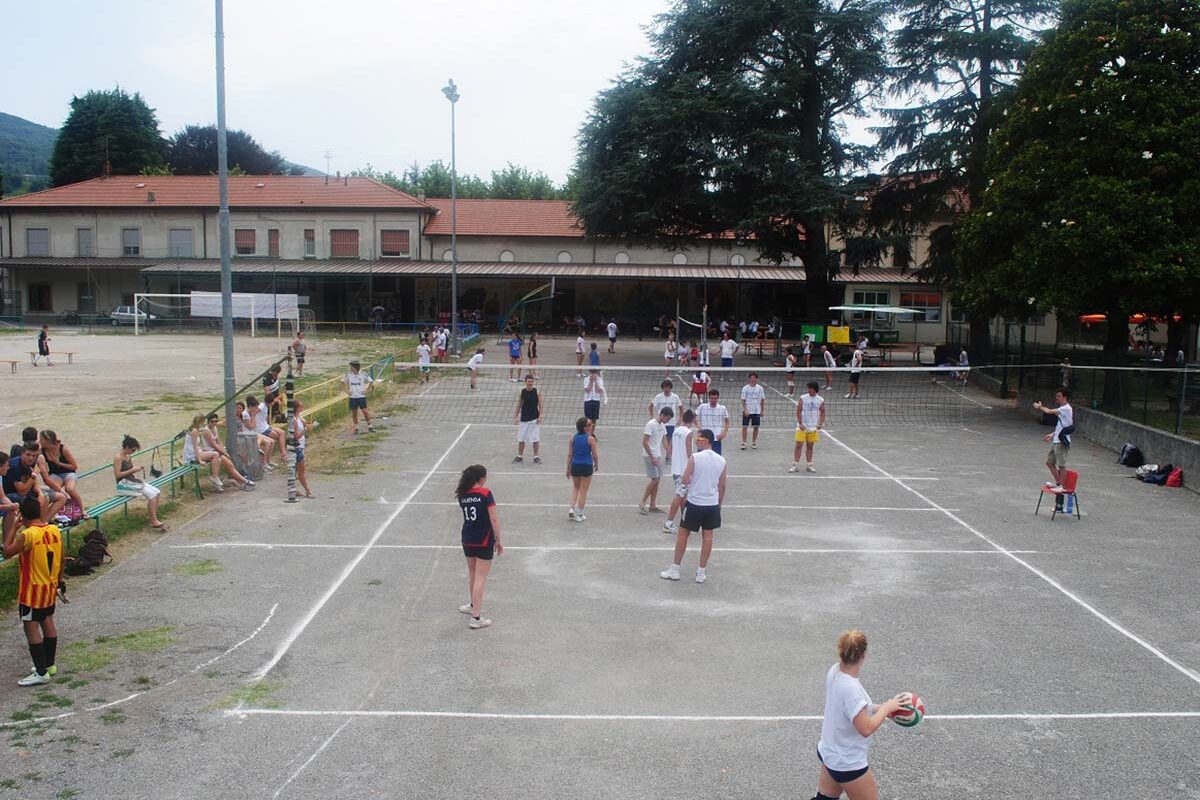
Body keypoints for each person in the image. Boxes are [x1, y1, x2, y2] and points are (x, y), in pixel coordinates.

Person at [811, 630, 910, 800]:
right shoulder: (852, 688)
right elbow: (865, 728)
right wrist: (886, 708)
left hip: (830, 753)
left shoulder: (835, 672)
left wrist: (882, 710)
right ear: (863, 655)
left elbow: (853, 709)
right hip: (848, 763)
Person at [4, 494, 65, 686]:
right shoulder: (54, 530)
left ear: (23, 515)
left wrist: (13, 527)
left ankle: (40, 673)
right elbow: (62, 559)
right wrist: (59, 581)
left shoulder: (28, 535)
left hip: (32, 590)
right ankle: (49, 665)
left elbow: (7, 551)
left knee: (30, 626)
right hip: (49, 586)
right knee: (47, 621)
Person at [660, 428, 727, 583]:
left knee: (683, 534)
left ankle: (675, 569)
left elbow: (685, 479)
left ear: (707, 441)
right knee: (708, 536)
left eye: (699, 439)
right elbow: (722, 486)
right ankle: (701, 573)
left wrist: (683, 493)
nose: (696, 440)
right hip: (711, 504)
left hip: (695, 502)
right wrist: (719, 504)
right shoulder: (721, 460)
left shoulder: (695, 458)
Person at [455, 465, 503, 630]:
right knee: (481, 578)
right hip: (483, 539)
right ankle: (476, 617)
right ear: (481, 479)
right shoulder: (485, 493)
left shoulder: (463, 494)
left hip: (467, 538)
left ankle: (472, 605)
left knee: (473, 574)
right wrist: (498, 539)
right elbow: (494, 519)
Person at [185, 414, 254, 492]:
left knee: (231, 462)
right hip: (209, 451)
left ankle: (242, 480)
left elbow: (218, 442)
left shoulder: (213, 428)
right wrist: (224, 453)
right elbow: (212, 445)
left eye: (216, 421)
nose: (214, 423)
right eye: (212, 421)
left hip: (213, 451)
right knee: (228, 464)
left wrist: (224, 451)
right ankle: (244, 481)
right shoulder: (204, 431)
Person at [112, 436, 167, 531]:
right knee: (152, 495)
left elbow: (128, 471)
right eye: (133, 450)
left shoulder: (128, 456)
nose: (133, 452)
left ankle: (153, 516)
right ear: (127, 447)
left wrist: (136, 469)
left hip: (131, 481)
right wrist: (133, 470)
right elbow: (117, 475)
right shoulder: (118, 458)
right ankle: (154, 521)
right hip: (124, 483)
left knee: (157, 492)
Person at [4, 444, 66, 523]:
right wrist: (33, 475)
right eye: (28, 455)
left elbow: (35, 483)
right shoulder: (15, 466)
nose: (31, 458)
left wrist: (40, 493)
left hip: (28, 489)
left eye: (34, 456)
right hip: (13, 493)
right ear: (22, 453)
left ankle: (43, 524)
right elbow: (22, 492)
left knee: (61, 497)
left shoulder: (32, 462)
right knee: (44, 499)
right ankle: (39, 525)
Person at [37, 431, 88, 520]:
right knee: (53, 491)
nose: (39, 441)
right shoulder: (42, 451)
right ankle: (48, 515)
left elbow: (74, 466)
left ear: (48, 440)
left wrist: (58, 463)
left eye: (41, 439)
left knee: (70, 489)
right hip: (55, 474)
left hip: (68, 472)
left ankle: (82, 509)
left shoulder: (62, 449)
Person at [1033, 387, 1074, 491]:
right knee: (1049, 462)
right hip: (1056, 440)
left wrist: (1040, 407)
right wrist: (1052, 434)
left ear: (1065, 397)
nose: (1057, 398)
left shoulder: (1066, 408)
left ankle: (1062, 486)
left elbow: (1048, 411)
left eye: (1059, 396)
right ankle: (1058, 482)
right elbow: (1063, 425)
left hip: (1061, 442)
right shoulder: (1062, 410)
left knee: (1061, 464)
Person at [662, 409, 696, 534]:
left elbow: (669, 449)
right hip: (684, 470)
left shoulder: (676, 430)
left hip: (676, 469)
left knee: (684, 496)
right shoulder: (689, 433)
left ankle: (685, 522)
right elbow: (689, 453)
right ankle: (668, 523)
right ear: (692, 420)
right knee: (679, 495)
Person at [639, 407, 673, 515]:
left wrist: (669, 452)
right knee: (655, 480)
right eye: (668, 418)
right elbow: (644, 442)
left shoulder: (662, 426)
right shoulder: (651, 424)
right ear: (662, 415)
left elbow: (664, 439)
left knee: (657, 480)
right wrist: (652, 457)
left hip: (657, 455)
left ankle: (652, 505)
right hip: (650, 456)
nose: (668, 421)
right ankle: (642, 502)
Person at [566, 417, 598, 523]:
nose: (591, 425)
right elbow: (595, 455)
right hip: (586, 466)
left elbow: (570, 455)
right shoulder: (590, 439)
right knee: (583, 490)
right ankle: (579, 514)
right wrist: (596, 465)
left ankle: (571, 508)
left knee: (576, 487)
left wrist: (567, 468)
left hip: (575, 466)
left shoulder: (572, 438)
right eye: (589, 425)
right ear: (584, 428)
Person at [791, 382, 827, 473]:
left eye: (809, 388)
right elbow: (798, 410)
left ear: (814, 389)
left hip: (813, 427)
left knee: (810, 446)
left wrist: (821, 423)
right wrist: (800, 423)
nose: (808, 390)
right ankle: (795, 465)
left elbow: (822, 412)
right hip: (803, 426)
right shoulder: (803, 398)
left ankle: (809, 465)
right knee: (798, 445)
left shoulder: (820, 400)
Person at [246, 395, 286, 469]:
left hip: (266, 426)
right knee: (277, 436)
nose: (274, 403)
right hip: (261, 429)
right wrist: (253, 415)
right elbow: (255, 412)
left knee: (282, 433)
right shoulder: (262, 406)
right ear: (270, 402)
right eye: (273, 402)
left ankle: (282, 454)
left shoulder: (266, 406)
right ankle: (280, 456)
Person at [512, 374, 543, 464]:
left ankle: (536, 457)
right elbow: (519, 404)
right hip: (524, 418)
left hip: (534, 418)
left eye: (531, 381)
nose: (530, 383)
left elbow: (541, 404)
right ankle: (519, 456)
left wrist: (541, 415)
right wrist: (515, 416)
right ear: (525, 382)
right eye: (529, 381)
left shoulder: (537, 391)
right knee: (521, 438)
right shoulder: (522, 392)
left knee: (535, 438)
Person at [343, 360, 376, 432]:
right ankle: (356, 427)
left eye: (351, 367)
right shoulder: (348, 374)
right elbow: (342, 382)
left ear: (355, 367)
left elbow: (371, 382)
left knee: (365, 411)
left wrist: (366, 390)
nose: (350, 368)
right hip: (353, 397)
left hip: (361, 396)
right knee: (354, 413)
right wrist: (346, 391)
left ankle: (370, 426)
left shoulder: (363, 374)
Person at [290, 399, 314, 498]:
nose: (303, 407)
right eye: (301, 406)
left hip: (301, 446)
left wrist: (308, 424)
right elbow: (296, 437)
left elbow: (305, 422)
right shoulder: (293, 421)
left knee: (294, 471)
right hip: (297, 447)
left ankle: (292, 490)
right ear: (296, 408)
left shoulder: (298, 417)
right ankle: (308, 490)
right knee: (301, 471)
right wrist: (305, 430)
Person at [696, 389, 731, 455]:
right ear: (709, 398)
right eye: (712, 398)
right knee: (700, 458)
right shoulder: (702, 406)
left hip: (716, 438)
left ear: (718, 398)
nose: (713, 400)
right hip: (704, 438)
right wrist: (699, 427)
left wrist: (724, 433)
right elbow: (695, 416)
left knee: (717, 460)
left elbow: (727, 421)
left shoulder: (722, 408)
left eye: (715, 398)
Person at [740, 372, 766, 450]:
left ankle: (754, 442)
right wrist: (745, 410)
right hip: (747, 410)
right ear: (749, 379)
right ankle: (744, 443)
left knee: (756, 427)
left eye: (754, 378)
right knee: (745, 426)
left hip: (756, 410)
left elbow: (762, 400)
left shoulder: (760, 388)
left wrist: (762, 410)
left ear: (756, 379)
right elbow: (743, 400)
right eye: (751, 378)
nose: (752, 379)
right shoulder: (745, 388)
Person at [582, 369, 607, 433]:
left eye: (594, 372)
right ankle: (587, 433)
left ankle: (592, 433)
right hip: (588, 400)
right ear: (589, 372)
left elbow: (599, 390)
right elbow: (587, 390)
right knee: (587, 419)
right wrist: (590, 381)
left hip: (596, 400)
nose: (593, 374)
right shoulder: (586, 379)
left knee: (594, 419)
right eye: (592, 372)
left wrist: (595, 381)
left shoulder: (599, 380)